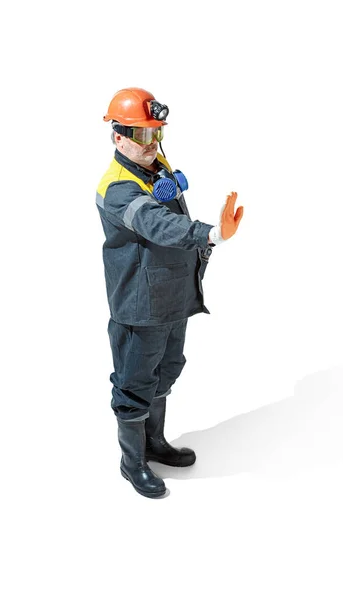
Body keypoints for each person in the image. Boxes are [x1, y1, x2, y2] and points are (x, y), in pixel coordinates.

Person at [96, 87, 244, 499]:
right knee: (134, 382)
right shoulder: (117, 188)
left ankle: (154, 442)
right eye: (142, 135)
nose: (152, 144)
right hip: (140, 304)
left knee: (167, 369)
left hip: (173, 296)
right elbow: (157, 223)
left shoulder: (153, 162)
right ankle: (132, 462)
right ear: (118, 136)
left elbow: (168, 198)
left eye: (157, 133)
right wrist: (211, 234)